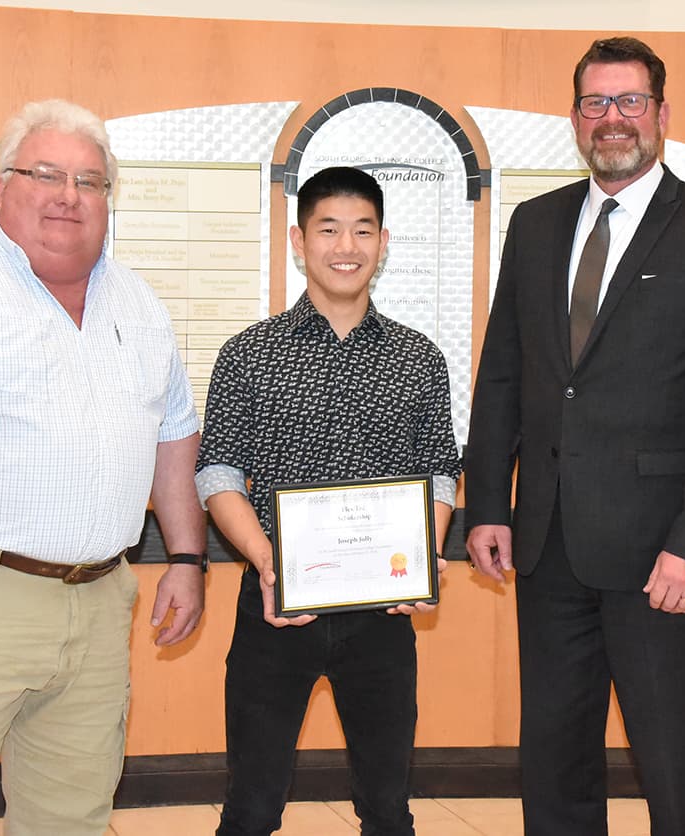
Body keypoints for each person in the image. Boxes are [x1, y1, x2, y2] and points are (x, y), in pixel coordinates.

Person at [0, 99, 207, 836]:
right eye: (46, 174)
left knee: (73, 816)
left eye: (90, 181)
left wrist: (185, 556)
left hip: (98, 600)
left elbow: (174, 436)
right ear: (1, 183)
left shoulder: (140, 304)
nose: (68, 196)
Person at [464, 36, 685, 836]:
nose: (613, 120)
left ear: (662, 114)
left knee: (673, 769)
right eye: (596, 103)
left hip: (662, 555)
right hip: (548, 545)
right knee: (555, 764)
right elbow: (503, 375)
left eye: (630, 102)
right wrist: (489, 503)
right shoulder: (534, 225)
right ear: (574, 117)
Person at [196, 166, 462, 836]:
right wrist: (264, 560)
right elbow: (218, 473)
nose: (347, 245)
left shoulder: (418, 358)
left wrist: (422, 560)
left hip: (382, 614)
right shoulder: (249, 354)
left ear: (383, 241)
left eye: (363, 230)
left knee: (387, 809)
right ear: (298, 239)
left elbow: (438, 474)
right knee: (252, 807)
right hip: (275, 605)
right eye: (329, 229)